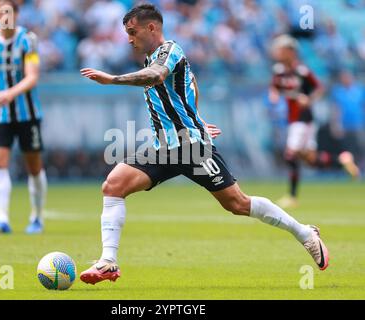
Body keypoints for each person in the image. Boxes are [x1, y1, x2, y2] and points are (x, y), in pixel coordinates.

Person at [79, 4, 329, 286]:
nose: (129, 39)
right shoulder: (151, 59)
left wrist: (113, 80)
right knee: (113, 185)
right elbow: (191, 84)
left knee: (237, 203)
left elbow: (157, 76)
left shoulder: (169, 51)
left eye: (132, 32)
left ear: (152, 28)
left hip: (192, 146)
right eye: (127, 33)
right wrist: (195, 117)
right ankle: (108, 262)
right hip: (164, 147)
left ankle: (305, 234)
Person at [0, 0, 47, 234]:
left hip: (27, 114)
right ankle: (2, 219)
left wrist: (10, 93)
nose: (6, 16)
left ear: (16, 15)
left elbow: (32, 76)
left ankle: (36, 217)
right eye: (2, 12)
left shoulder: (28, 40)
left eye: (11, 12)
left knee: (33, 166)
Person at [269, 34, 360, 209]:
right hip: (294, 119)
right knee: (310, 159)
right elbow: (275, 86)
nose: (277, 53)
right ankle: (341, 160)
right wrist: (273, 95)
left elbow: (319, 88)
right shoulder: (279, 70)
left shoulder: (301, 71)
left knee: (290, 154)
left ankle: (292, 196)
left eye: (281, 49)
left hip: (302, 119)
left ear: (290, 51)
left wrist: (308, 99)